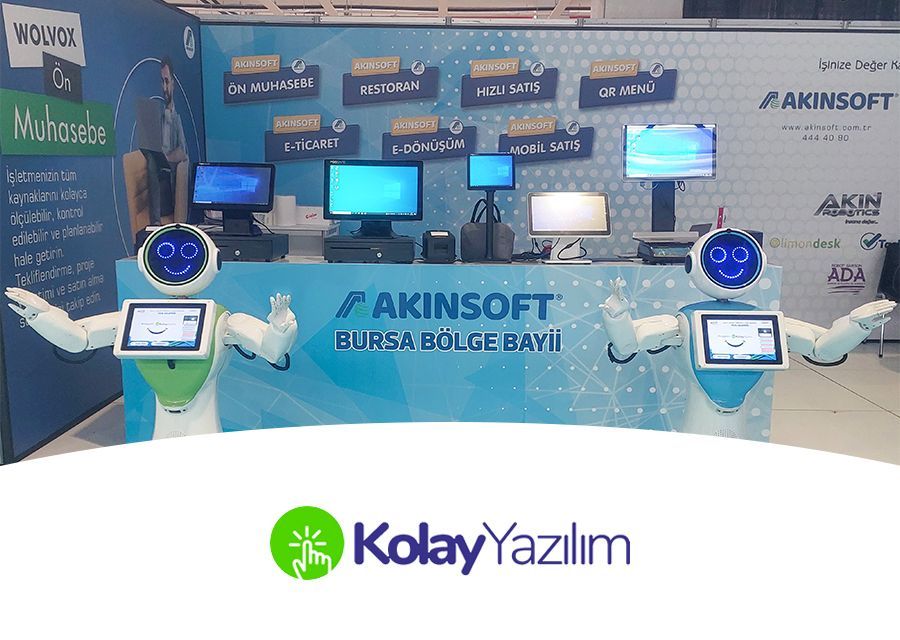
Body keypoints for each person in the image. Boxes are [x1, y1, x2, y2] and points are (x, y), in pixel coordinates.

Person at [144, 56, 188, 225]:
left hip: (170, 173)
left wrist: (166, 157)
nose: (164, 87)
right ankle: (154, 222)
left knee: (152, 163)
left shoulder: (177, 117)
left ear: (173, 83)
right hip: (158, 166)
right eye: (162, 82)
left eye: (167, 81)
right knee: (150, 158)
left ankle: (155, 222)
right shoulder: (159, 115)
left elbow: (183, 152)